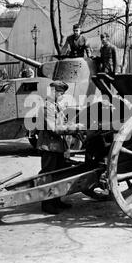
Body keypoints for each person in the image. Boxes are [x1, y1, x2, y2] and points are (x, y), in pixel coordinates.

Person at [37, 80, 84, 214]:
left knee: (58, 174)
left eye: (62, 93)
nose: (61, 95)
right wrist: (73, 128)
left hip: (57, 147)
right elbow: (54, 129)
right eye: (60, 93)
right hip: (49, 146)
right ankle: (47, 204)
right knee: (48, 175)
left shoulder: (55, 106)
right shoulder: (48, 107)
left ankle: (56, 201)